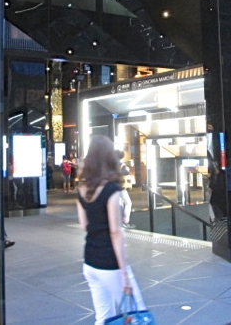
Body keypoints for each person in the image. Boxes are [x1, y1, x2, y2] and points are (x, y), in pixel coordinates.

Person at [76, 136, 146, 325]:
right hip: (110, 263)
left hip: (90, 261)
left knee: (103, 317)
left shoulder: (81, 187)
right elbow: (115, 232)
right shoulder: (111, 190)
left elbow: (83, 225)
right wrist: (124, 273)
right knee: (136, 316)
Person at [115, 150, 135, 228]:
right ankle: (125, 221)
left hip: (114, 187)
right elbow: (126, 172)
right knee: (128, 203)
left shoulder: (111, 164)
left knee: (119, 203)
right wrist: (127, 169)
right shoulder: (121, 164)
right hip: (121, 187)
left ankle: (119, 222)